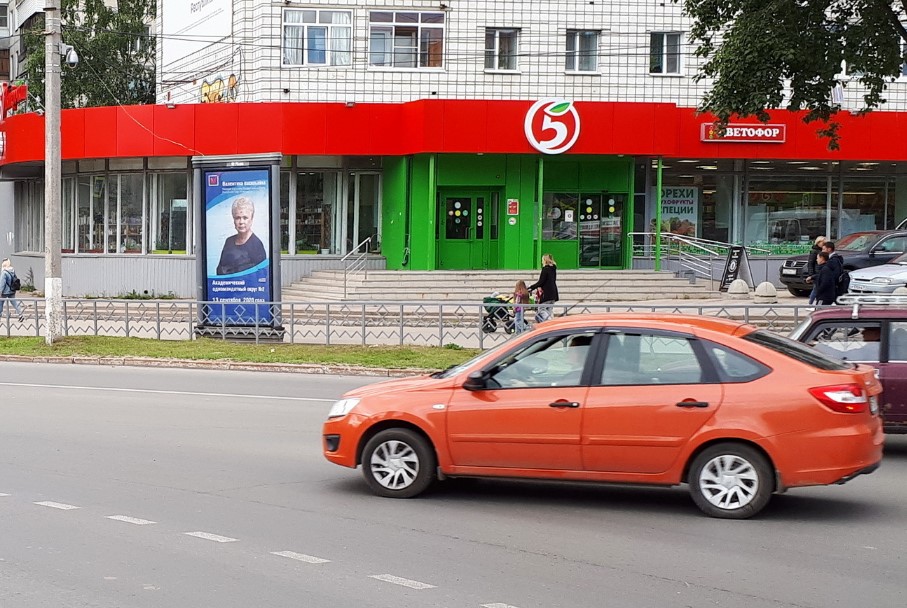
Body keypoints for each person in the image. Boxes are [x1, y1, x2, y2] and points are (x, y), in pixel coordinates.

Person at [216, 196, 267, 275]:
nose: (241, 222)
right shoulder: (229, 241)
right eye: (237, 218)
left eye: (245, 218)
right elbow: (219, 270)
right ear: (233, 219)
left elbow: (261, 275)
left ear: (251, 219)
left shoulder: (256, 245)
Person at [529, 253, 559, 323]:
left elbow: (541, 282)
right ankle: (551, 323)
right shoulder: (553, 268)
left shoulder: (545, 269)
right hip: (554, 292)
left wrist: (531, 287)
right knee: (549, 310)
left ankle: (549, 322)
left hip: (547, 293)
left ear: (544, 260)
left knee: (541, 309)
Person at [805, 235, 826, 304]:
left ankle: (815, 303)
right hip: (816, 272)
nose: (824, 245)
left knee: (817, 289)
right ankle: (811, 303)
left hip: (821, 271)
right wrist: (811, 274)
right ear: (818, 242)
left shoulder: (823, 250)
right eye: (823, 243)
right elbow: (810, 263)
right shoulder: (814, 251)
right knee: (816, 289)